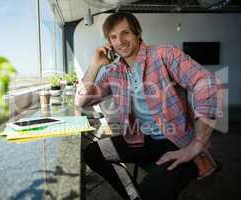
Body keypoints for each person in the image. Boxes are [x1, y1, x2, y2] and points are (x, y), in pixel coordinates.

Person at [75, 12, 222, 200]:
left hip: (175, 141)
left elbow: (207, 83)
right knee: (93, 153)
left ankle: (191, 165)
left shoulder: (164, 54)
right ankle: (133, 195)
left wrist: (196, 146)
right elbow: (81, 101)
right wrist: (95, 65)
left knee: (151, 193)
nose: (120, 41)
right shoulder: (113, 71)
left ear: (137, 33)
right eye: (113, 37)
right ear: (109, 43)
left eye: (125, 33)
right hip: (140, 140)